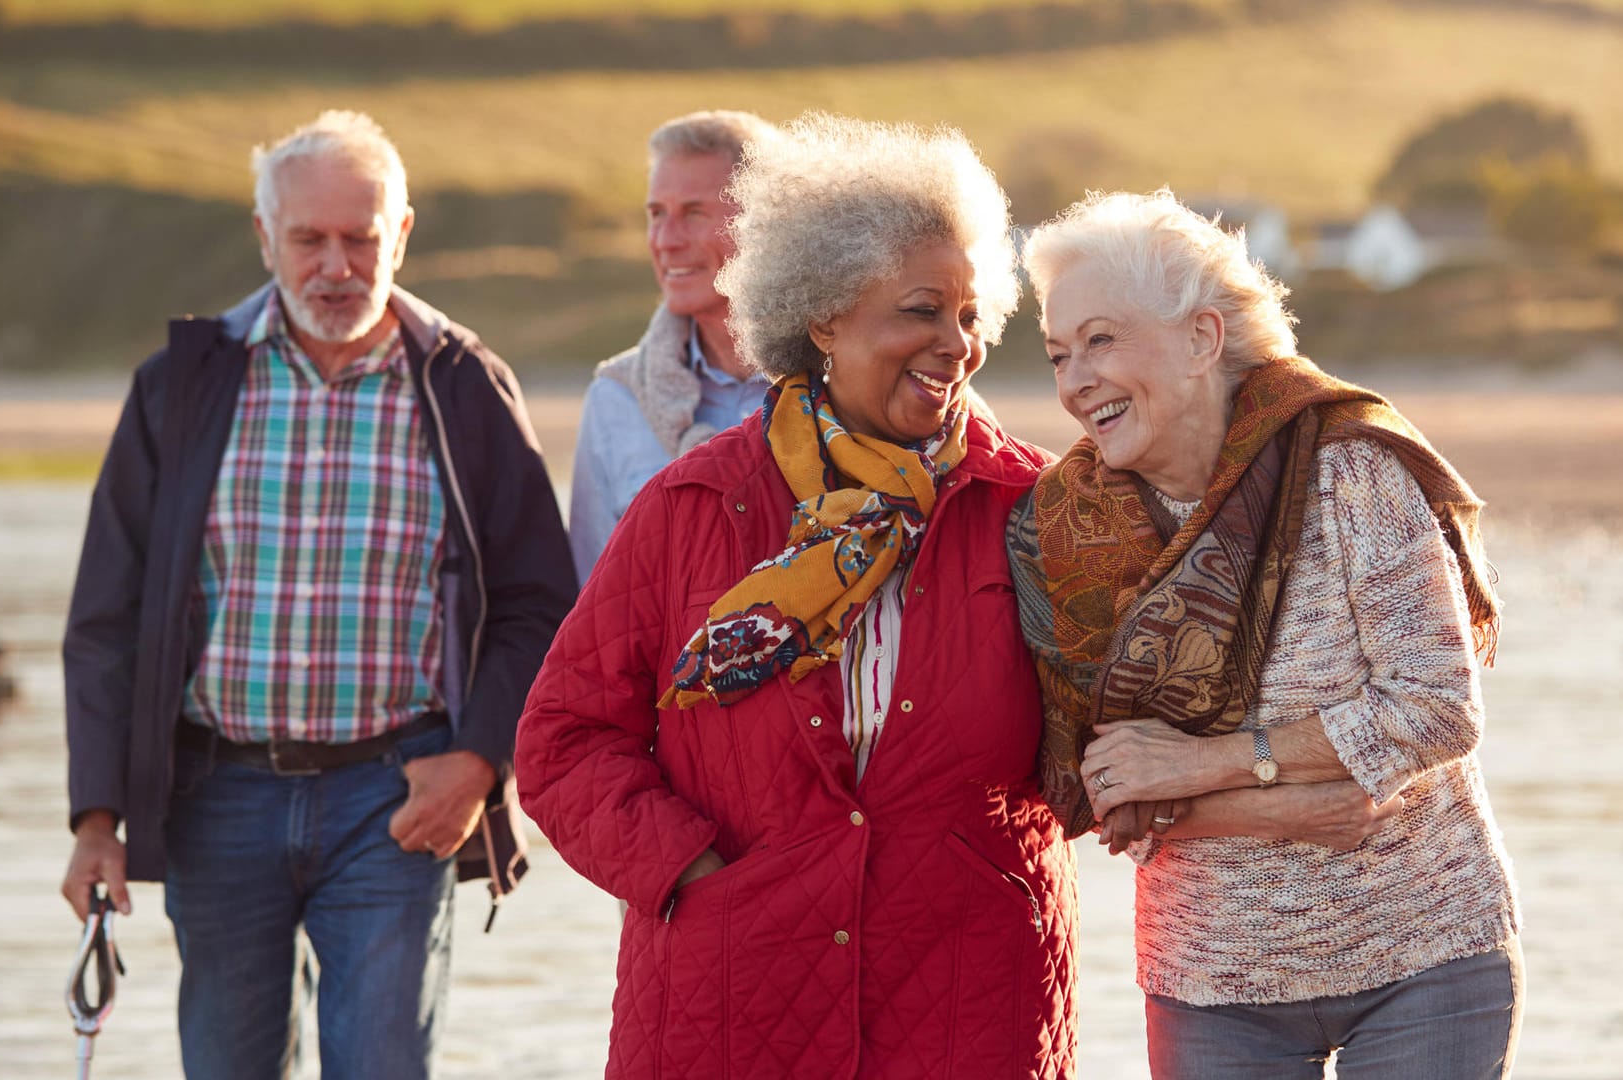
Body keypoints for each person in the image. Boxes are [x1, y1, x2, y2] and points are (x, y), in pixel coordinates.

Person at [517, 113, 1077, 1078]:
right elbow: (563, 740)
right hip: (730, 997)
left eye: (972, 315)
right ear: (823, 317)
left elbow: (1116, 736)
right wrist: (688, 872)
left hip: (968, 1000)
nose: (958, 344)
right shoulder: (690, 504)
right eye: (920, 311)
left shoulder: (1035, 509)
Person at [58, 110, 577, 1079]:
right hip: (214, 798)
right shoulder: (181, 386)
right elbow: (106, 622)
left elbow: (538, 604)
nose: (335, 265)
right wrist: (97, 820)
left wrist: (476, 763)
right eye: (308, 239)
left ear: (402, 234)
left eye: (360, 237)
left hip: (401, 798)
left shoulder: (466, 387)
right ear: (265, 237)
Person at [1008, 189, 1522, 1079]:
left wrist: (1206, 765)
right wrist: (1296, 802)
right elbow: (1103, 790)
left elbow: (1437, 707)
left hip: (1425, 955)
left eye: (1101, 339)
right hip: (1211, 982)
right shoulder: (1061, 527)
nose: (1075, 379)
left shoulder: (1347, 467)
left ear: (1203, 338)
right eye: (1059, 354)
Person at [567, 109, 777, 582]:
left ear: (767, 224)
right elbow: (590, 608)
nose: (664, 240)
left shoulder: (852, 385)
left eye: (693, 213)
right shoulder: (615, 399)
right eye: (656, 215)